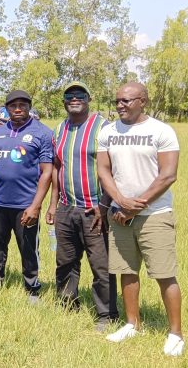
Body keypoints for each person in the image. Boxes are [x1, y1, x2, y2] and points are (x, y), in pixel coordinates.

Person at [98, 82, 183, 356]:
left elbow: (168, 175)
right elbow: (103, 171)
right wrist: (120, 202)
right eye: (117, 100)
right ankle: (132, 324)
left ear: (143, 101)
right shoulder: (108, 131)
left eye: (127, 100)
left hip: (154, 215)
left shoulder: (161, 131)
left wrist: (135, 206)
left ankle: (175, 334)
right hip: (119, 214)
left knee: (164, 274)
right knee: (126, 270)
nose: (120, 105)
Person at [45, 82, 118, 331]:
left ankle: (106, 314)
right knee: (65, 260)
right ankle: (67, 303)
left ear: (89, 98)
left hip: (95, 209)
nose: (74, 98)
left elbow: (113, 170)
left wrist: (105, 205)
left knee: (101, 264)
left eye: (80, 95)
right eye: (69, 95)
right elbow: (57, 167)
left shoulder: (104, 127)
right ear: (64, 101)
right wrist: (53, 205)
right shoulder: (59, 129)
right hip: (66, 207)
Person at [0, 90, 53, 303]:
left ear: (29, 106)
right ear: (6, 108)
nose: (18, 109)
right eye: (13, 106)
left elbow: (47, 172)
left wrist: (36, 206)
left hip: (25, 204)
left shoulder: (42, 133)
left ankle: (32, 288)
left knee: (28, 248)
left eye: (22, 105)